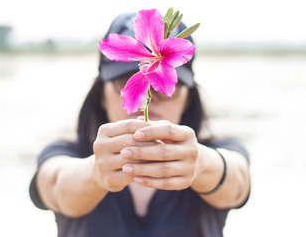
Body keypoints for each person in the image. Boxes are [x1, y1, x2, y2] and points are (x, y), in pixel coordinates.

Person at [29, 13, 251, 237]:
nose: (149, 94)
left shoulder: (216, 150)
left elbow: (238, 182)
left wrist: (201, 164)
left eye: (164, 90)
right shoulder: (68, 153)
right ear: (101, 96)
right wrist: (96, 173)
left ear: (188, 100)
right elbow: (55, 186)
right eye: (124, 80)